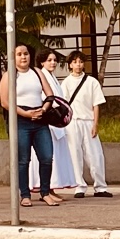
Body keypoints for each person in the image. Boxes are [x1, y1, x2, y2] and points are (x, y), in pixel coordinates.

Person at [0, 42, 59, 206]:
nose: (23, 57)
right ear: (13, 58)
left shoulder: (37, 72)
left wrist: (44, 110)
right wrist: (25, 113)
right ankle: (25, 194)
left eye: (25, 53)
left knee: (46, 157)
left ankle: (45, 192)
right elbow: (5, 102)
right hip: (20, 120)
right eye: (19, 54)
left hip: (40, 119)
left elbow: (49, 95)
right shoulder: (9, 75)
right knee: (23, 160)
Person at [63, 49, 111, 197]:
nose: (78, 65)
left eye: (81, 62)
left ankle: (100, 186)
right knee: (74, 154)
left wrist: (95, 124)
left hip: (88, 120)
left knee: (95, 154)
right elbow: (63, 105)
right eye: (75, 62)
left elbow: (96, 104)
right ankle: (79, 186)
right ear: (70, 65)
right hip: (72, 122)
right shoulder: (65, 83)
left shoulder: (92, 82)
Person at [41, 49, 78, 194]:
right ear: (42, 62)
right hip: (49, 122)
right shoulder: (43, 76)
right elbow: (46, 97)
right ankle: (47, 189)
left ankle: (51, 189)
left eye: (55, 60)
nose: (53, 63)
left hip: (57, 122)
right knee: (50, 157)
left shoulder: (52, 77)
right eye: (49, 60)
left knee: (56, 157)